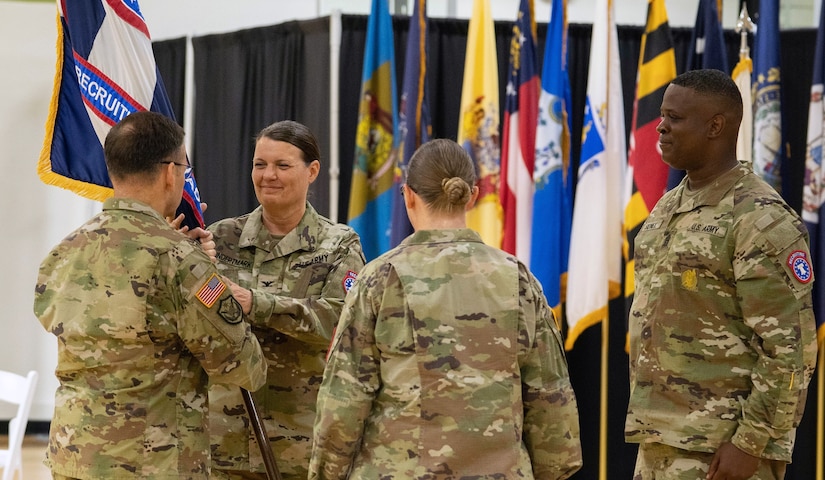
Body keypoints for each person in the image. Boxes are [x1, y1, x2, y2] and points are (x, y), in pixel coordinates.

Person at [308, 138, 583, 479]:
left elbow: (344, 400)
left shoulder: (380, 278)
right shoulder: (519, 279)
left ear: (408, 195)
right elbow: (549, 396)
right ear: (473, 195)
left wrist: (326, 474)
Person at [33, 111, 267, 479]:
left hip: (73, 457)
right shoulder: (178, 259)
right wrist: (207, 273)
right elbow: (244, 366)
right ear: (171, 172)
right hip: (152, 463)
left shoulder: (64, 251)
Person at [625, 69, 818, 480]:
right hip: (659, 439)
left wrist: (751, 442)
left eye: (674, 118)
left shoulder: (759, 218)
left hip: (722, 450)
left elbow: (790, 349)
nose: (660, 127)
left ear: (716, 126)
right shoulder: (667, 207)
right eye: (662, 115)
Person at [207, 120, 366, 479]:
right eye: (260, 164)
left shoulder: (339, 244)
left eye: (282, 165)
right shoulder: (220, 238)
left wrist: (256, 304)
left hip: (300, 437)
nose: (268, 176)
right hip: (224, 435)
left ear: (312, 171)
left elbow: (340, 322)